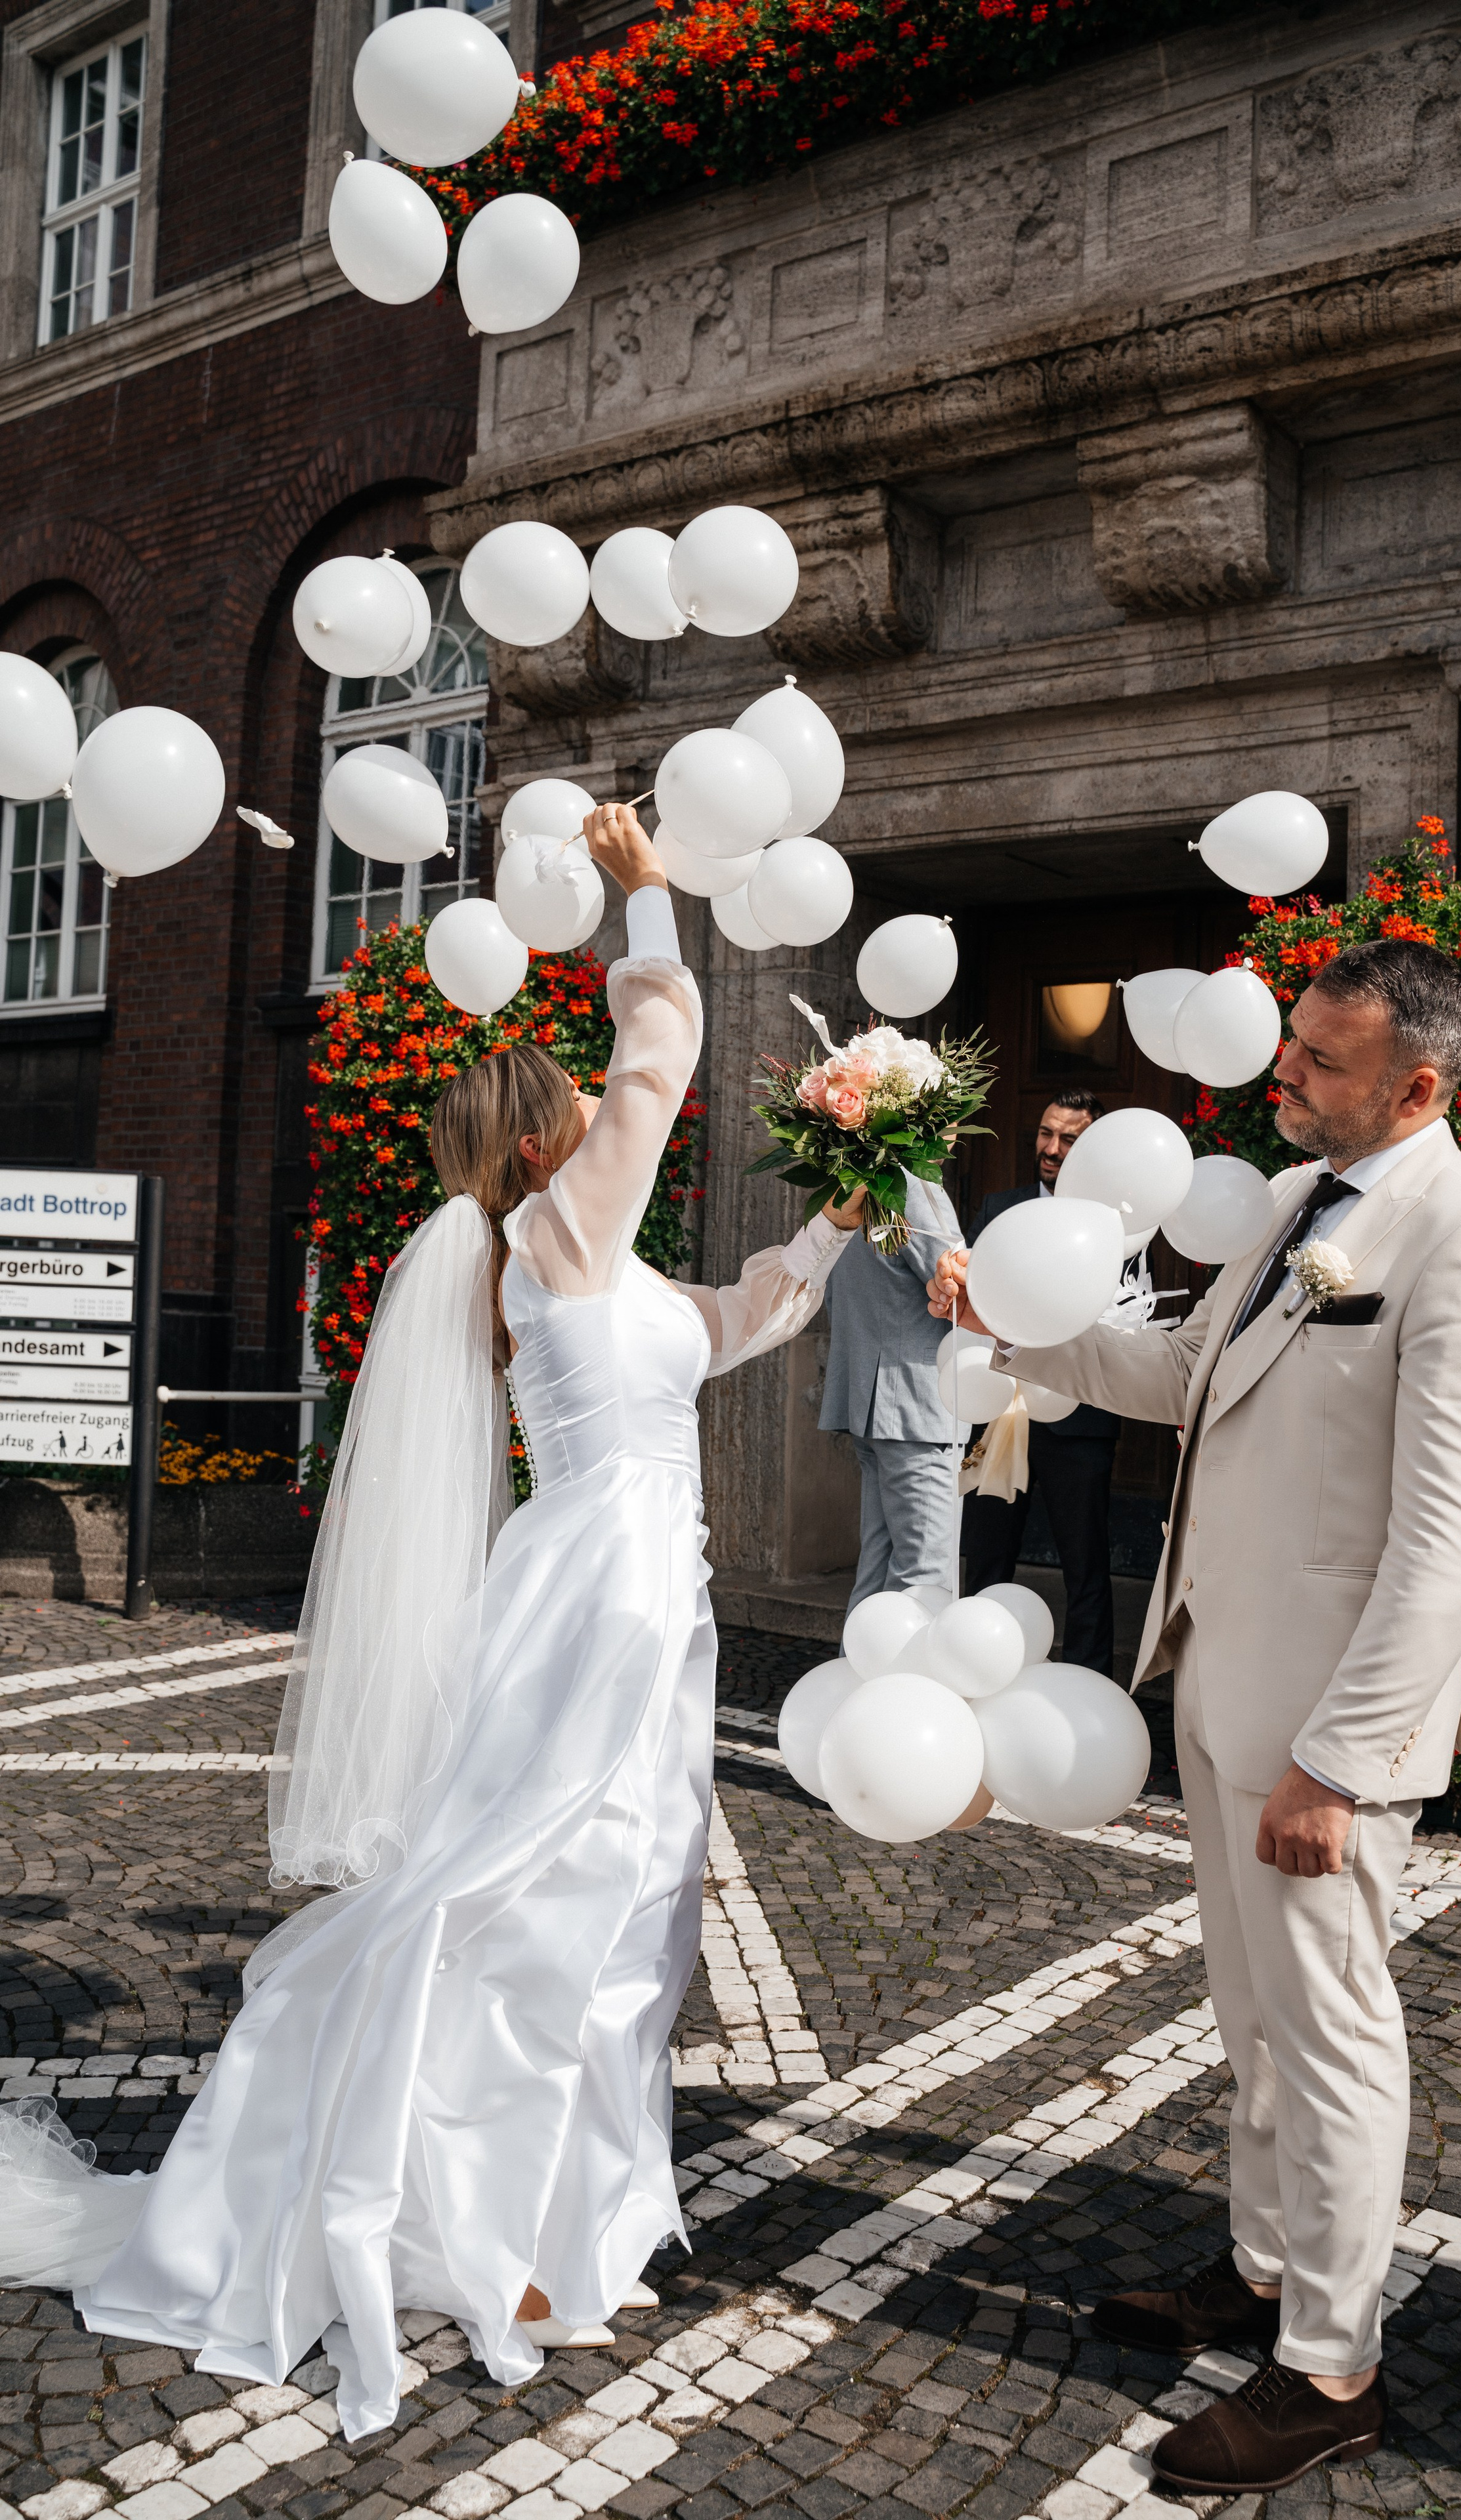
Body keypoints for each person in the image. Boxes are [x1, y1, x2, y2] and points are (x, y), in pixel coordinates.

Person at [0, 805, 866, 2441]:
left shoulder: (616, 1280)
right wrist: (648, 909)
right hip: (585, 1607)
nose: (611, 1129)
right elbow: (661, 1053)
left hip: (649, 1613)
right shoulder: (549, 1242)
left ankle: (567, 2230)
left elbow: (760, 1312)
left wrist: (859, 1190)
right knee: (533, 1915)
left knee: (629, 1927)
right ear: (546, 1143)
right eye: (581, 1113)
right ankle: (485, 2240)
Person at [929, 938, 1461, 2494]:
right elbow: (1174, 1371)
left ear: (1415, 1084)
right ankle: (1261, 2268)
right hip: (1215, 1674)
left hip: (1324, 1727)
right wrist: (1011, 1322)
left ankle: (1329, 2364)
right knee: (1250, 2013)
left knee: (1330, 2032)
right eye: (1290, 1049)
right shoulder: (1288, 1205)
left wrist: (1336, 1762)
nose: (1282, 1078)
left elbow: (1446, 1540)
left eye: (1319, 1063)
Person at [963, 1089, 1124, 1671]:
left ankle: (1091, 1682)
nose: (1052, 1149)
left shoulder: (1117, 1224)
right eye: (1045, 1133)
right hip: (999, 1407)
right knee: (984, 1557)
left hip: (1081, 1415)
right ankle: (977, 1672)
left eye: (1069, 1139)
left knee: (1086, 1565)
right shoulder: (998, 1206)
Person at [821, 1168, 965, 1607]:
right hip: (917, 1403)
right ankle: (904, 1677)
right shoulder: (914, 1187)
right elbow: (961, 1288)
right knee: (925, 1577)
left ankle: (855, 1675)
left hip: (873, 1396)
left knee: (879, 1569)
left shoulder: (847, 1181)